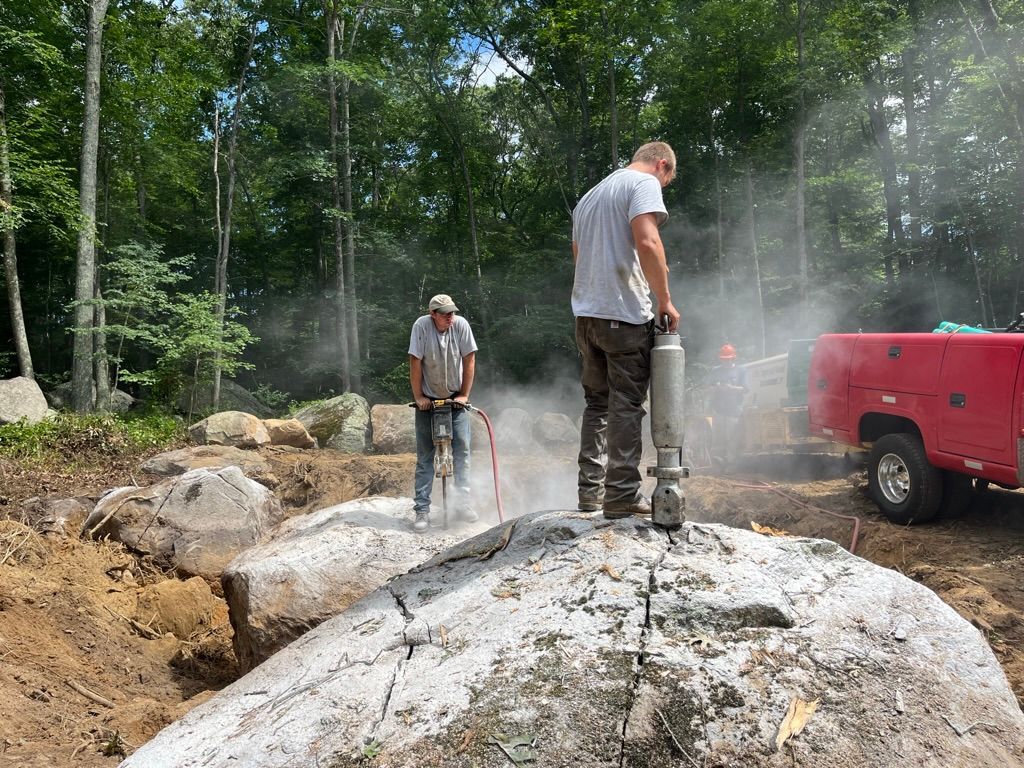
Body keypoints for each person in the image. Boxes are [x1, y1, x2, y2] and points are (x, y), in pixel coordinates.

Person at [571, 141, 681, 519]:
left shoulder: (590, 197)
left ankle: (589, 493)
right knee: (626, 405)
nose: (663, 187)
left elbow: (578, 255)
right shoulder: (643, 183)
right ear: (661, 165)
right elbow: (647, 241)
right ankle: (620, 496)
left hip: (586, 317)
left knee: (597, 404)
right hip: (623, 315)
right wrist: (664, 298)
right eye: (667, 181)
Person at [408, 293, 479, 532]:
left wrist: (464, 395)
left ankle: (462, 504)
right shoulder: (421, 326)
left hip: (455, 398)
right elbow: (415, 362)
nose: (451, 317)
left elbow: (469, 359)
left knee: (463, 449)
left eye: (453, 312)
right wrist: (419, 397)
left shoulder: (461, 326)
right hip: (428, 400)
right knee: (425, 455)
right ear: (433, 314)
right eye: (446, 314)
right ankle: (422, 510)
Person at [708, 343, 748, 465]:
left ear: (733, 358)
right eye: (723, 360)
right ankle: (717, 465)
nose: (725, 362)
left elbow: (745, 389)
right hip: (719, 411)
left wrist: (731, 388)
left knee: (732, 439)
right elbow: (709, 387)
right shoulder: (716, 371)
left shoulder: (741, 370)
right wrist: (717, 388)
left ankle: (731, 465)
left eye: (728, 360)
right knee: (718, 438)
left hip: (734, 411)